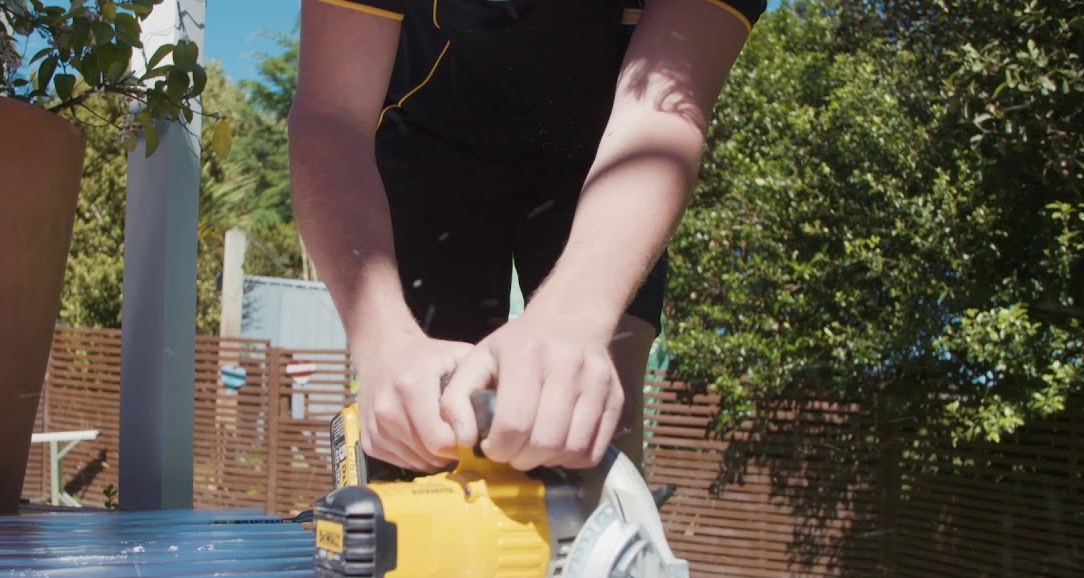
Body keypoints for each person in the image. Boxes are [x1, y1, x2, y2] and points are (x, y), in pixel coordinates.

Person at [289, 0, 765, 476]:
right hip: (425, 139)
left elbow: (659, 121)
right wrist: (385, 341)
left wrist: (575, 320)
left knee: (589, 421)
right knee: (419, 422)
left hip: (603, 150)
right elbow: (333, 114)